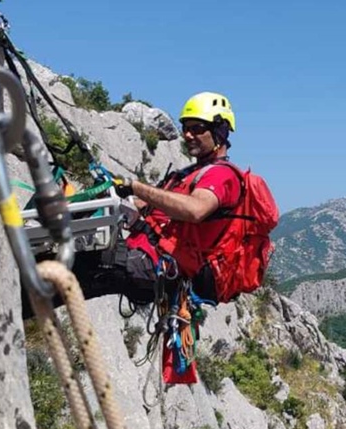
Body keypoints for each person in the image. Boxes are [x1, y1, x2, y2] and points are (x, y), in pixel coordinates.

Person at [37, 91, 243, 311]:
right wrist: (114, 193)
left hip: (156, 267)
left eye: (197, 128)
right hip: (146, 258)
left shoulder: (222, 175)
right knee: (59, 266)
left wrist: (136, 187)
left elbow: (196, 210)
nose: (188, 135)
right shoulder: (186, 175)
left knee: (65, 270)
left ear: (220, 131)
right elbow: (146, 208)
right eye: (186, 128)